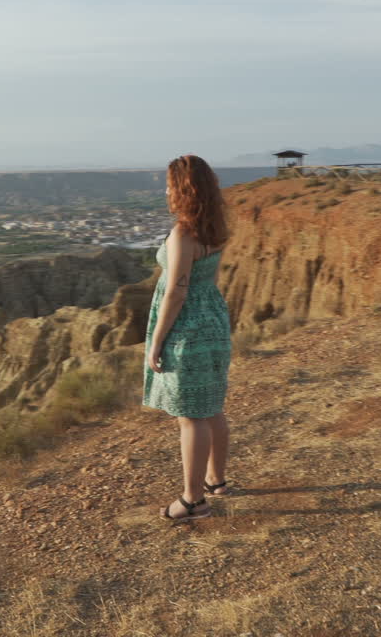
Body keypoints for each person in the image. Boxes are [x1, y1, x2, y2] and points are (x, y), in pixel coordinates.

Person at [143, 154, 233, 522]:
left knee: (190, 416)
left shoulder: (183, 233)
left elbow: (176, 292)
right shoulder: (214, 228)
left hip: (188, 328)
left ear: (182, 189)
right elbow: (205, 282)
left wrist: (157, 340)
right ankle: (216, 480)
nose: (165, 190)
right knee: (211, 407)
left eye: (169, 184)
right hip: (213, 319)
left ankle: (193, 501)